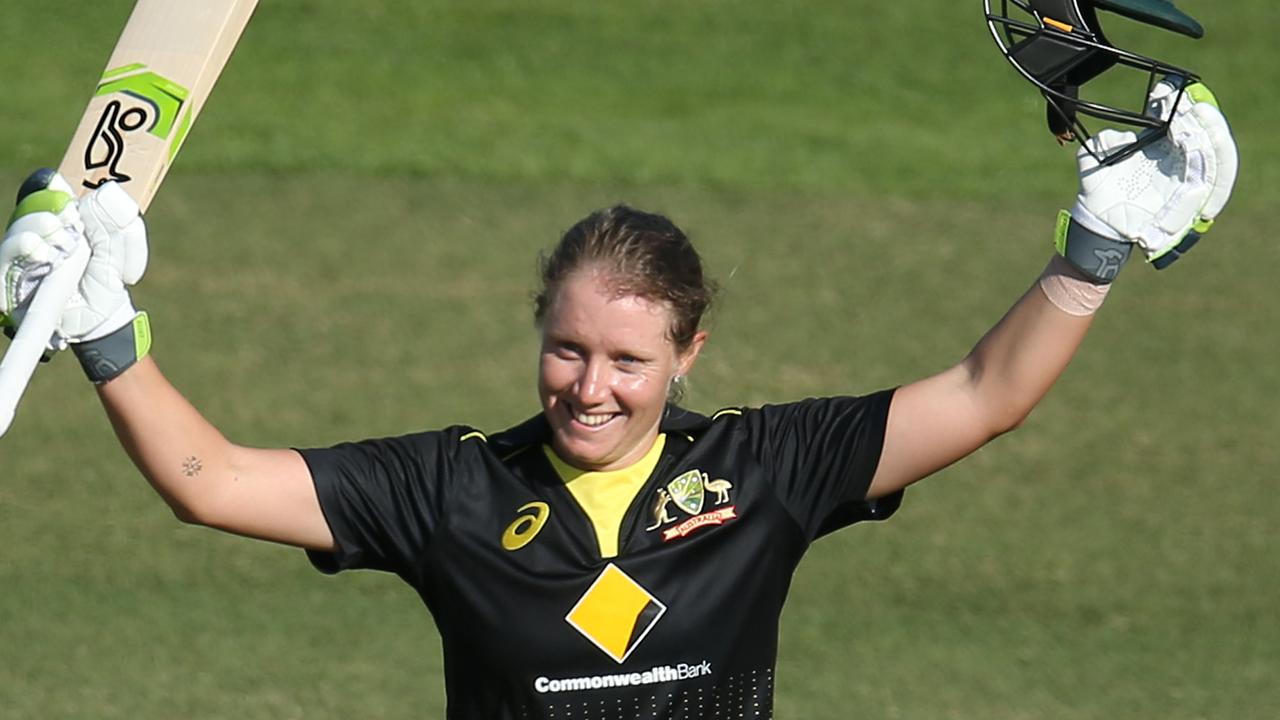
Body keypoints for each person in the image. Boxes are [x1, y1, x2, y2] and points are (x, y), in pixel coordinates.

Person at [0, 79, 1237, 719]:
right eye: (567, 350)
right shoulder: (449, 490)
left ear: (687, 352)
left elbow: (983, 396)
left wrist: (1092, 246)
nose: (588, 388)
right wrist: (105, 332)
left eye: (626, 362)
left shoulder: (766, 472)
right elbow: (207, 481)